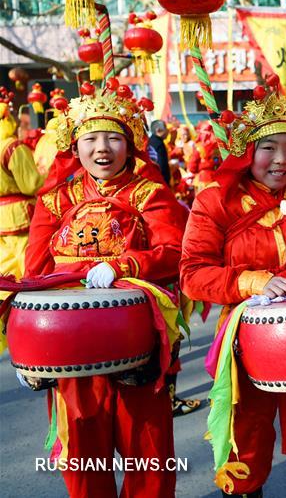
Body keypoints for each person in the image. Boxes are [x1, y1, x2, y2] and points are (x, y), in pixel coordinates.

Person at [180, 80, 286, 498]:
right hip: (245, 339)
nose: (281, 160)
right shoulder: (216, 200)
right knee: (246, 439)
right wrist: (253, 281)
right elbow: (194, 274)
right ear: (247, 152)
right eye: (268, 148)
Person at [24, 80, 186, 498]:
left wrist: (125, 266)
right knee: (83, 457)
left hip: (139, 343)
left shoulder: (151, 194)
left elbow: (174, 254)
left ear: (130, 144)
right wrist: (30, 350)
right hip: (73, 348)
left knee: (147, 455)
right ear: (75, 145)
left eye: (113, 137)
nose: (102, 148)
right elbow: (35, 274)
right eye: (91, 138)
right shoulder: (55, 202)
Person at [0, 88, 44, 282]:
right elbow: (31, 184)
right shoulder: (12, 146)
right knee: (28, 264)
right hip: (19, 214)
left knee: (5, 266)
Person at [148, 119, 172, 185]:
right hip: (160, 179)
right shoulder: (158, 143)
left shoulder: (151, 141)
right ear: (158, 130)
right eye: (165, 128)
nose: (167, 130)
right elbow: (162, 164)